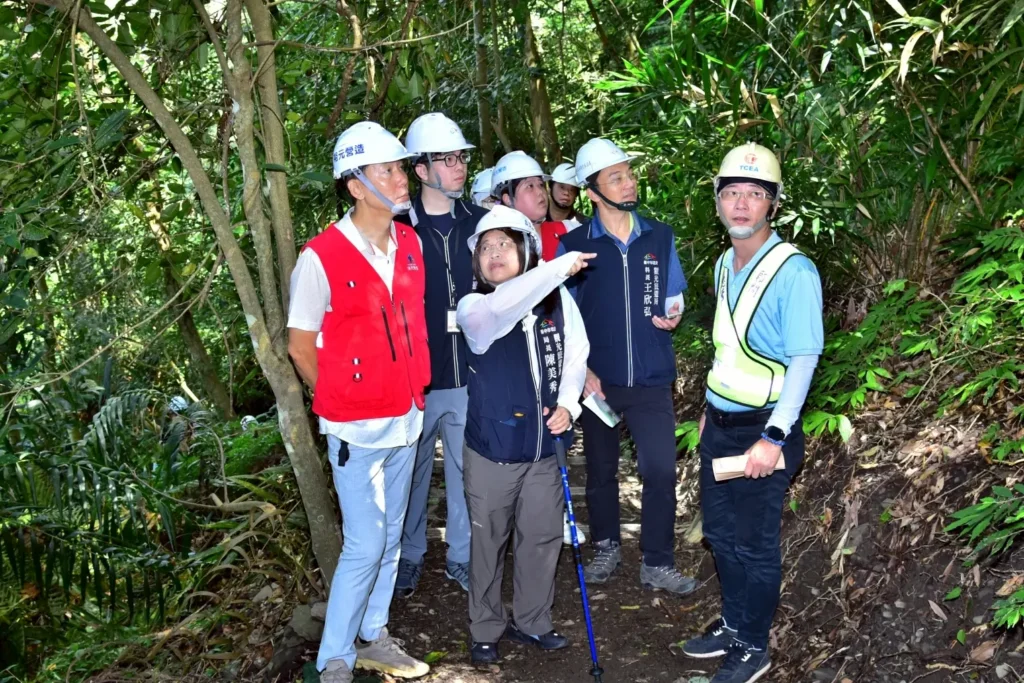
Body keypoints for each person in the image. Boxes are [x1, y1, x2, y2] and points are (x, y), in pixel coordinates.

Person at [287, 121, 431, 683]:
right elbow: (300, 347)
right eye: (388, 171)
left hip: (405, 416)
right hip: (355, 429)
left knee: (392, 534)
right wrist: (342, 401)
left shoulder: (411, 244)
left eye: (400, 169)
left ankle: (374, 633)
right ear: (355, 184)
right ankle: (335, 658)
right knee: (365, 543)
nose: (401, 180)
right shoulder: (320, 257)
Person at [679, 143, 823, 683]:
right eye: (732, 193)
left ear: (772, 205)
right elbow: (727, 347)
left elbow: (804, 360)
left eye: (755, 194)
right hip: (720, 425)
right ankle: (735, 624)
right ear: (718, 202)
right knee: (719, 533)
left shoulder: (793, 271)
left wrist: (775, 437)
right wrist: (707, 408)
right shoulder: (723, 264)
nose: (741, 204)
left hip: (763, 431)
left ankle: (754, 645)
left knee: (755, 545)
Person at [557, 137, 696, 595]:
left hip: (653, 376)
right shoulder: (574, 246)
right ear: (592, 191)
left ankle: (657, 560)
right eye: (616, 176)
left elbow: (674, 294)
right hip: (598, 380)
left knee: (659, 469)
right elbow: (560, 316)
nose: (629, 181)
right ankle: (606, 547)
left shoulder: (659, 235)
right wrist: (582, 371)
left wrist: (673, 313)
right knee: (599, 470)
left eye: (629, 173)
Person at [457, 205, 594, 665]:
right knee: (488, 539)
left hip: (545, 450)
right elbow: (502, 309)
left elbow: (576, 353)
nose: (494, 253)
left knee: (540, 537)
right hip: (492, 451)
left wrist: (569, 404)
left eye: (505, 244)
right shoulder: (474, 305)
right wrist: (557, 267)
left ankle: (534, 620)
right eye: (486, 246)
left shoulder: (557, 299)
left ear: (525, 250)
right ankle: (485, 627)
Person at [396, 113, 488, 597]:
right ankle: (409, 557)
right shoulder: (397, 226)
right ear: (421, 170)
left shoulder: (479, 222)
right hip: (415, 381)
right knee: (410, 477)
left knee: (463, 471)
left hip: (469, 374)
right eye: (447, 159)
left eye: (461, 158)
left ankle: (461, 556)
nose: (458, 167)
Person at [491, 151, 568, 263]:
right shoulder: (495, 248)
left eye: (541, 185)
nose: (540, 192)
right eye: (529, 186)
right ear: (508, 199)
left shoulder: (567, 230)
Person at [547, 162, 586, 230]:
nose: (566, 193)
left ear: (576, 195)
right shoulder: (536, 220)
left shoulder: (584, 224)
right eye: (562, 187)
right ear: (550, 188)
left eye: (572, 190)